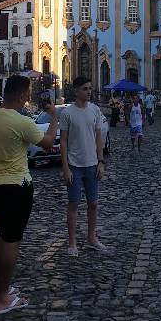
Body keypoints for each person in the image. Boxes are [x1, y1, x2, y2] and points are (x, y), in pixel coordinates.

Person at [0, 74, 58, 315]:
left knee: (3, 237)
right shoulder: (21, 122)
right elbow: (49, 142)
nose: (29, 98)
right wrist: (54, 117)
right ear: (22, 96)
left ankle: (2, 288)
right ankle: (1, 298)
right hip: (15, 188)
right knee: (12, 241)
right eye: (28, 94)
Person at [59, 76, 106, 256]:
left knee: (93, 203)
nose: (89, 91)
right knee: (74, 203)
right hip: (74, 165)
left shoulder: (94, 110)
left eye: (90, 88)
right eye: (85, 89)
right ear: (76, 91)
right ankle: (72, 243)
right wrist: (65, 168)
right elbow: (63, 142)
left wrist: (101, 162)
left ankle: (92, 238)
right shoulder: (67, 113)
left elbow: (98, 138)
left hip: (92, 164)